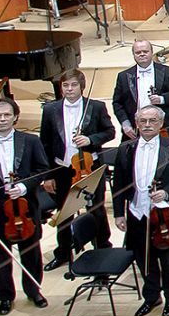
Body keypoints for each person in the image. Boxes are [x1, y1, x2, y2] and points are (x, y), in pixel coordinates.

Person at [0, 96, 50, 314]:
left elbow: (42, 170)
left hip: (26, 208)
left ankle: (34, 291)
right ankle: (5, 296)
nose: (2, 119)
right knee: (0, 255)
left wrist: (24, 187)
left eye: (7, 115)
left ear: (15, 117)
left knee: (31, 252)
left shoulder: (31, 141)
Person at [112, 106, 169, 316]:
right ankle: (151, 296)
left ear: (161, 124)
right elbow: (118, 183)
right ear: (137, 124)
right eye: (143, 121)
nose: (147, 125)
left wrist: (167, 192)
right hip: (136, 212)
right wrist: (118, 213)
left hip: (163, 215)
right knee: (143, 257)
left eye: (152, 121)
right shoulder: (125, 148)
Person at [41, 69, 116, 271]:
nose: (70, 89)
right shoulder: (50, 110)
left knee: (96, 210)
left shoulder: (96, 106)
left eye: (73, 85)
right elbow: (45, 143)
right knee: (64, 212)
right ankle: (64, 252)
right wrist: (48, 175)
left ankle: (102, 247)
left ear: (82, 87)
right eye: (65, 85)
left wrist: (91, 140)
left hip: (90, 168)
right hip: (62, 169)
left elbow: (110, 131)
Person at [111, 39, 169, 139]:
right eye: (138, 52)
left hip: (164, 127)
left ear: (152, 52)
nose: (142, 54)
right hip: (135, 128)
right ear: (133, 54)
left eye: (145, 51)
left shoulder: (167, 71)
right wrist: (125, 123)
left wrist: (162, 99)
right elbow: (117, 103)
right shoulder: (123, 76)